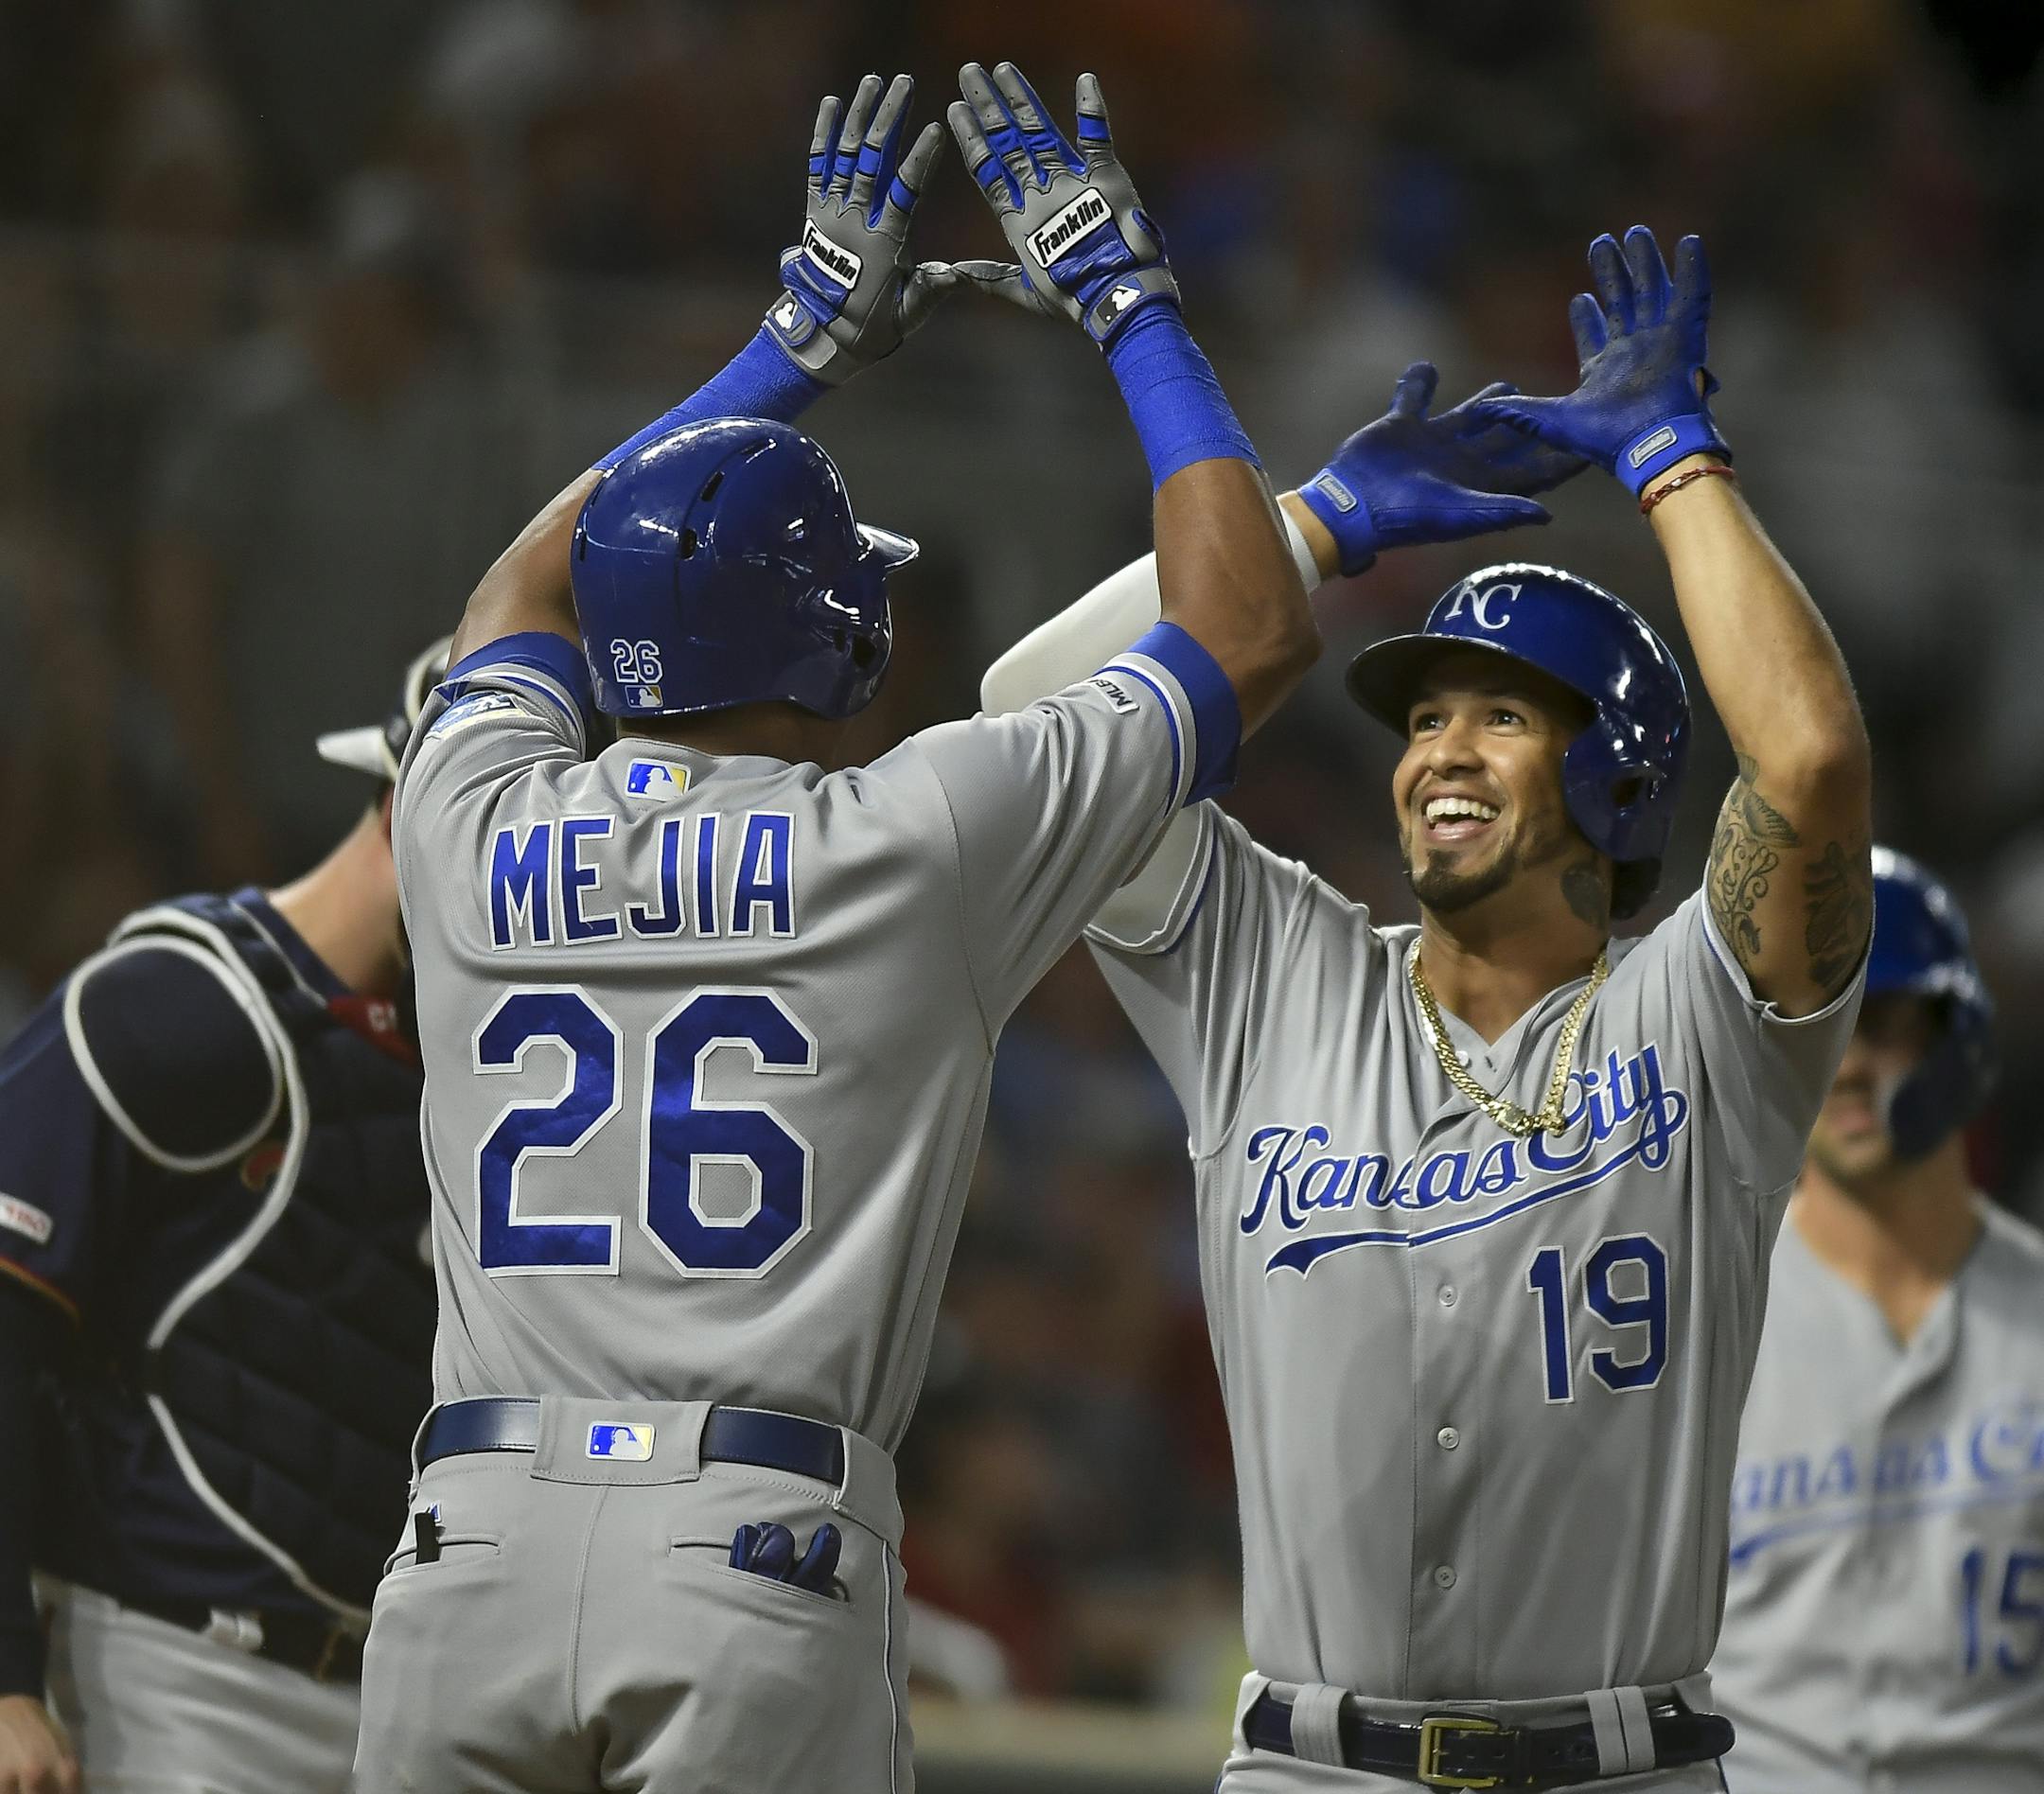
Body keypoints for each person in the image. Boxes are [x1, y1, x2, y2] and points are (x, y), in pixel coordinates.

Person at [351, 62, 1322, 1794]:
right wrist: (1126, 294)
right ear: (837, 647)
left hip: (464, 1548)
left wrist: (794, 335)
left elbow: (524, 584)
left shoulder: (463, 813)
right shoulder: (915, 834)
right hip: (746, 1551)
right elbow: (1246, 623)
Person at [981, 226, 1873, 1789]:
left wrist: (1672, 460)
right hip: (1312, 1765)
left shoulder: (1707, 1020)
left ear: (1615, 773)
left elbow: (1804, 765)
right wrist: (1312, 528)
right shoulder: (1271, 968)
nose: (1438, 751)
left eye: (1502, 716)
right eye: (1425, 716)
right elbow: (1026, 727)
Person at [0, 642, 448, 1794]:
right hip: (169, 1680)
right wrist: (2, 1677)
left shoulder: (501, 1075)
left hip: (403, 1710)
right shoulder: (183, 1004)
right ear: (411, 804)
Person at [1711, 850, 2041, 1794]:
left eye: (1885, 1025)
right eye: (1823, 1031)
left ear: (1959, 1034)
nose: (1849, 1066)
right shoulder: (1706, 1332)